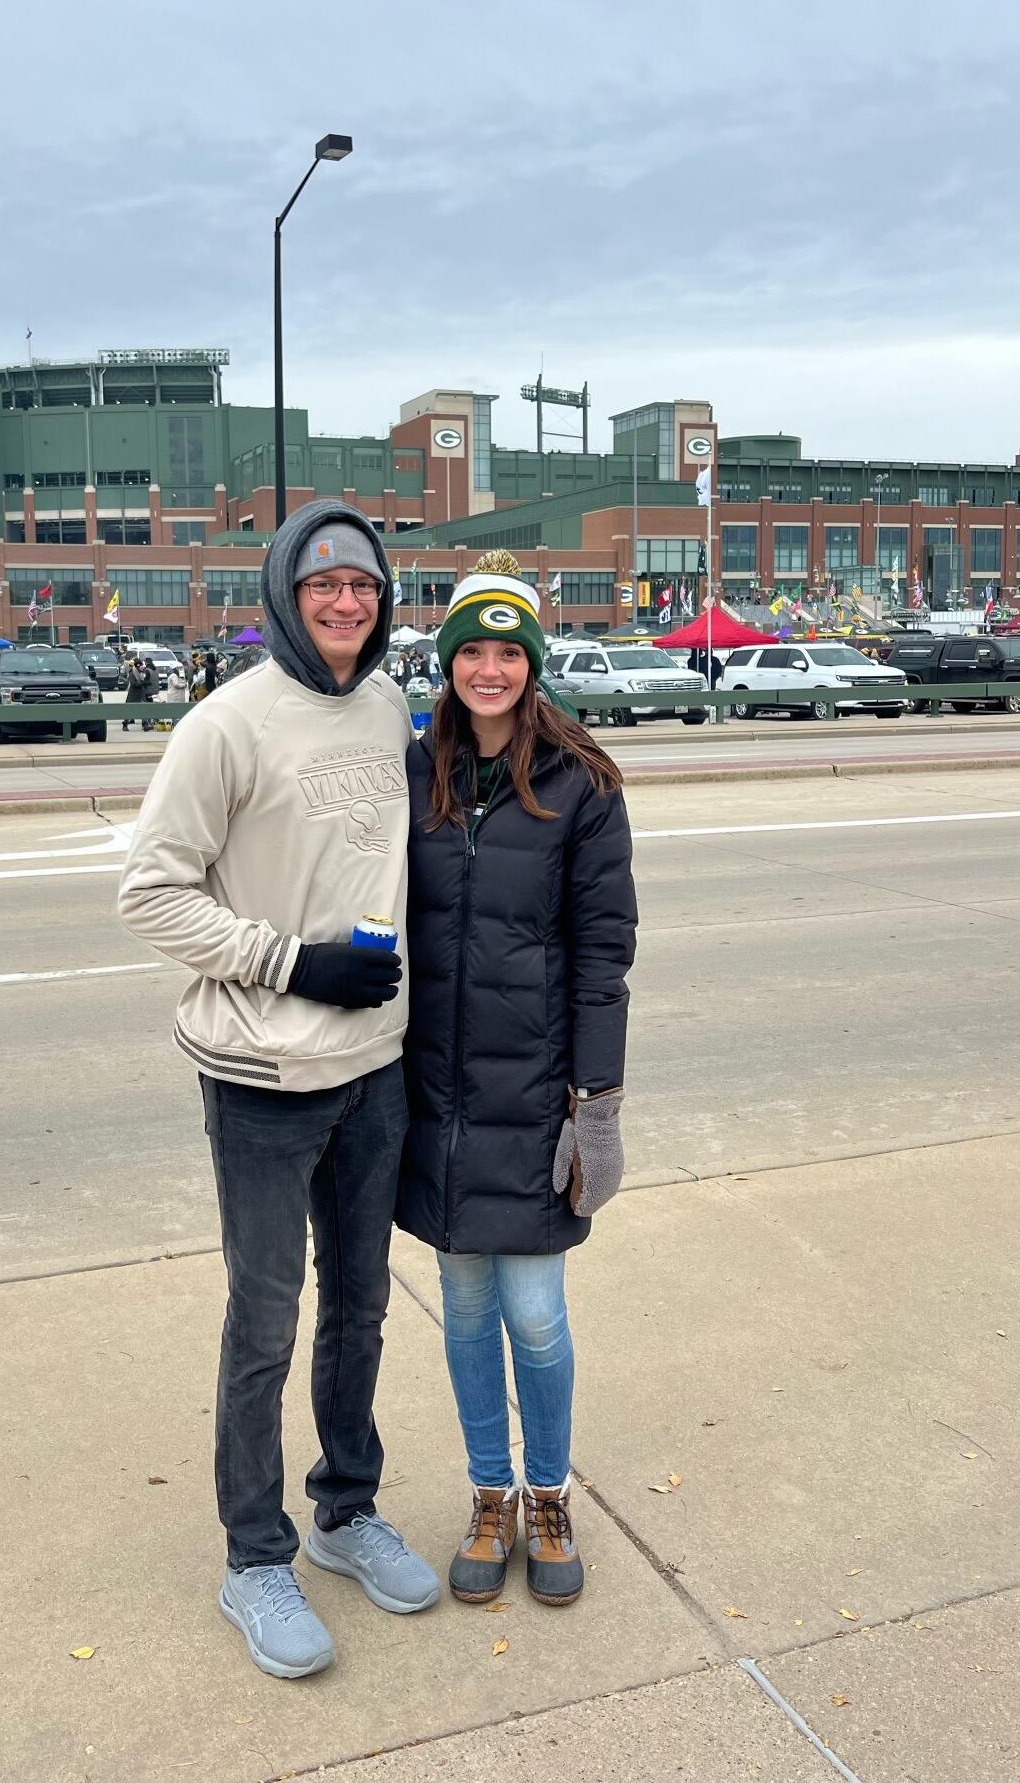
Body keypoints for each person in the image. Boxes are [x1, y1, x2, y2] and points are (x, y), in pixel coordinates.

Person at [117, 500, 439, 1682]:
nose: (345, 603)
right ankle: (255, 1556)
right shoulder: (225, 725)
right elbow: (151, 893)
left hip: (377, 1070)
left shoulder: (386, 705)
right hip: (263, 1077)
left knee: (362, 1309)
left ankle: (345, 1513)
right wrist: (290, 961)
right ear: (285, 594)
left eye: (363, 585)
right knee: (266, 1323)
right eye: (323, 586)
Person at [396, 550, 637, 1611]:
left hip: (536, 1093)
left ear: (534, 665)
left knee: (534, 1311)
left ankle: (549, 1491)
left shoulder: (581, 786)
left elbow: (604, 951)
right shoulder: (413, 773)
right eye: (472, 652)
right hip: (433, 1095)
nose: (489, 671)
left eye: (509, 653)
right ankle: (488, 1491)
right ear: (447, 662)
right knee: (461, 1306)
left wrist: (601, 1104)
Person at [123, 651, 153, 730]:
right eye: (139, 665)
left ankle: (145, 724)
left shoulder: (141, 673)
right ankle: (125, 724)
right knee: (129, 710)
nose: (140, 667)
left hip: (141, 694)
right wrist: (142, 683)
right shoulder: (132, 673)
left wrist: (146, 683)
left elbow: (143, 681)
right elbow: (134, 684)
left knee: (143, 709)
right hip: (133, 695)